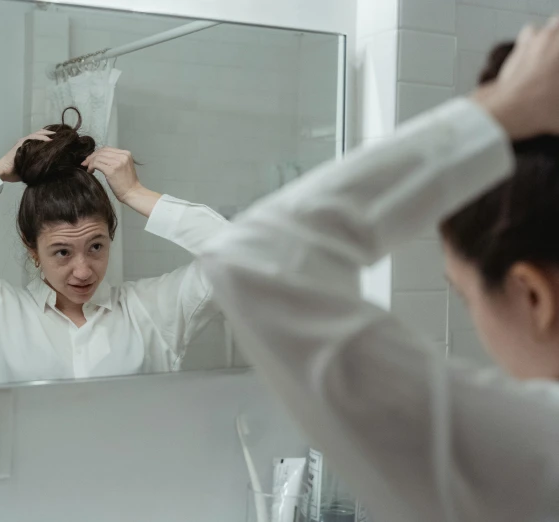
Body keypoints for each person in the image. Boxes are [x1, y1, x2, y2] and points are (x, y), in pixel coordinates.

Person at [199, 22, 559, 522]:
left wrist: (503, 110)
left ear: (533, 296)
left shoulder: (533, 452)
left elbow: (255, 261)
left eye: (465, 296)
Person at [0, 108, 226, 385]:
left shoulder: (154, 312)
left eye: (96, 247)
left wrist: (135, 194)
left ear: (110, 236)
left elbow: (240, 255)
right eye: (62, 252)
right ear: (32, 248)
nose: (83, 271)